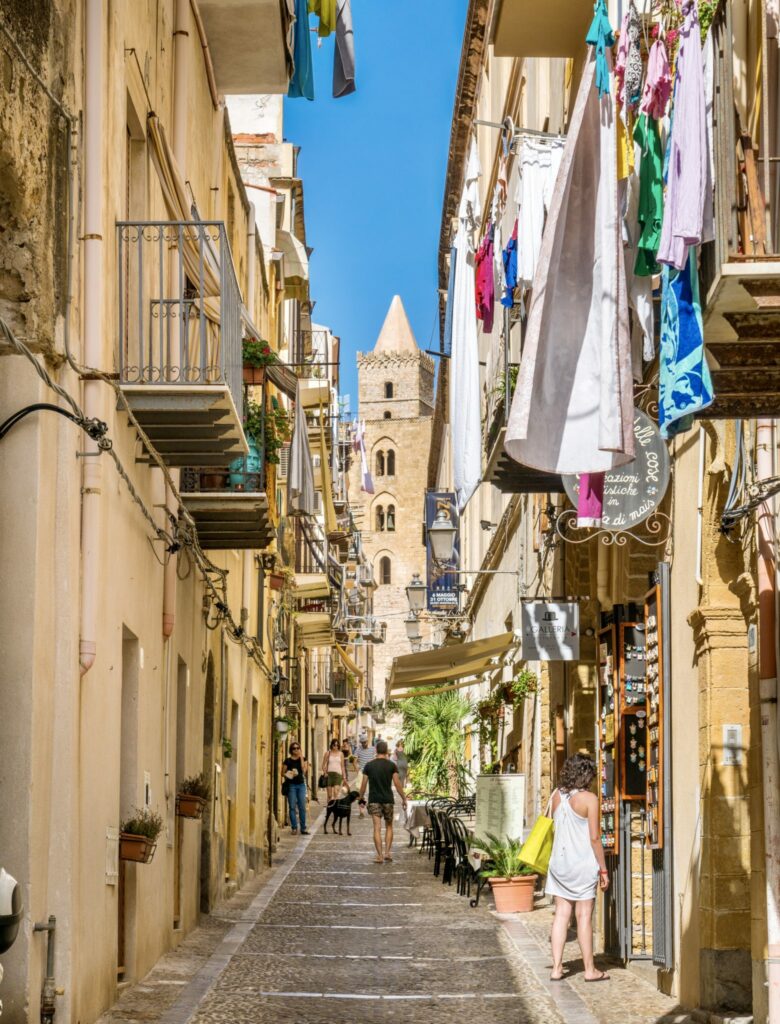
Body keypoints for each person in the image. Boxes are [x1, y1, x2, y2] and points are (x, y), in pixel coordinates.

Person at [546, 753, 610, 982]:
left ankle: (556, 968)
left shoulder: (556, 795)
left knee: (561, 915)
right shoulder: (589, 799)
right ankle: (590, 970)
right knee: (583, 916)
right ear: (587, 775)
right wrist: (603, 869)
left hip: (559, 864)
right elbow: (594, 838)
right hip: (582, 864)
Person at [359, 739, 407, 863]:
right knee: (389, 826)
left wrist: (361, 797)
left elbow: (363, 784)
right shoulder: (391, 765)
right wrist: (404, 798)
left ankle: (379, 856)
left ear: (376, 750)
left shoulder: (369, 765)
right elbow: (397, 783)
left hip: (374, 799)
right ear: (386, 751)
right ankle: (387, 853)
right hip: (388, 800)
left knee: (377, 828)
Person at [281, 741, 309, 836]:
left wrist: (301, 757)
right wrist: (289, 774)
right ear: (291, 750)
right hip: (291, 785)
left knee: (302, 807)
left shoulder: (304, 759)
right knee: (292, 807)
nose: (296, 750)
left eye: (298, 748)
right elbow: (282, 773)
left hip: (301, 785)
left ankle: (303, 828)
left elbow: (304, 771)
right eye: (294, 748)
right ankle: (294, 827)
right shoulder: (287, 761)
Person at [354, 733, 376, 815]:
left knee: (371, 792)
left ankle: (370, 807)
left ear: (368, 741)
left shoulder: (373, 749)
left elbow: (375, 759)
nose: (363, 744)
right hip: (362, 773)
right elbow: (354, 760)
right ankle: (361, 810)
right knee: (361, 792)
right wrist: (358, 771)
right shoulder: (358, 749)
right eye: (362, 743)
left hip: (371, 773)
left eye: (365, 742)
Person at [321, 737, 347, 802]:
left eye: (337, 745)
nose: (336, 747)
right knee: (329, 795)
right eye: (334, 745)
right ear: (331, 745)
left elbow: (343, 766)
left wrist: (344, 776)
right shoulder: (327, 753)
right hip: (329, 775)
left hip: (338, 775)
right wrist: (325, 773)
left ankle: (335, 808)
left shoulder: (341, 754)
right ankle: (329, 808)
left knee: (336, 792)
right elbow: (323, 765)